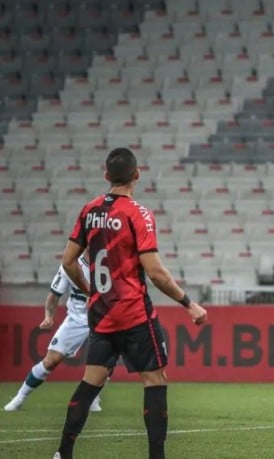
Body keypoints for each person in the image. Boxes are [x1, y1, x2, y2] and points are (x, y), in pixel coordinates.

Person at [54, 147, 208, 459]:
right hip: (134, 313)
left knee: (91, 382)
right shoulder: (138, 214)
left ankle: (63, 453)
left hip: (101, 313)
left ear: (107, 176)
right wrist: (189, 303)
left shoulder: (88, 211)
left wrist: (89, 291)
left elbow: (69, 262)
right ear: (137, 175)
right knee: (155, 381)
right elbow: (156, 273)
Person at [4, 255, 109, 412]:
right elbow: (53, 296)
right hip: (77, 319)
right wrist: (48, 317)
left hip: (103, 317)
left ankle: (93, 396)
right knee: (50, 361)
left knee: (107, 361)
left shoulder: (108, 262)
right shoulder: (70, 265)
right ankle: (20, 397)